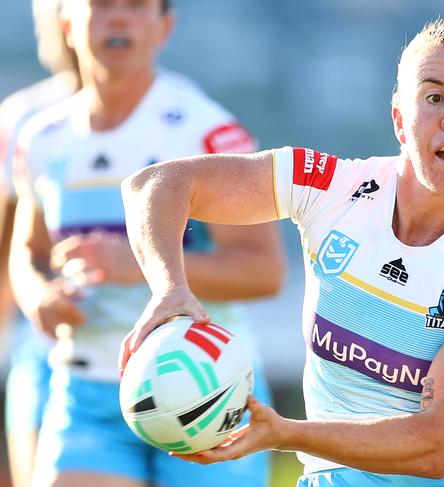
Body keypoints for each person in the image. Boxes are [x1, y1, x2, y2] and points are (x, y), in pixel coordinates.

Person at [118, 18, 444, 487]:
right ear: (400, 117)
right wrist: (170, 289)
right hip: (334, 477)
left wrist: (283, 434)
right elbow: (157, 185)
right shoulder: (331, 188)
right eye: (434, 96)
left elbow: (437, 446)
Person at [9, 0, 285, 486]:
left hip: (206, 386)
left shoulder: (205, 131)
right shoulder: (41, 137)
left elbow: (264, 272)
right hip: (87, 390)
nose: (118, 18)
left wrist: (138, 262)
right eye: (100, 5)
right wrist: (39, 297)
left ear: (164, 26)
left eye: (136, 6)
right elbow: (28, 253)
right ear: (67, 23)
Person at [0, 1, 80, 486]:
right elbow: (8, 241)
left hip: (144, 346)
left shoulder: (174, 111)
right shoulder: (26, 116)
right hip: (44, 344)